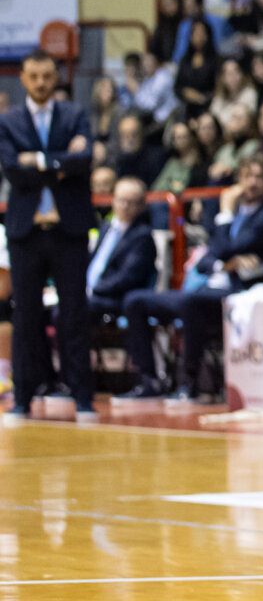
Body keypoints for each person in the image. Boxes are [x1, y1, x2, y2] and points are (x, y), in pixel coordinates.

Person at [123, 157, 263, 402]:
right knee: (135, 300)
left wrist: (225, 213)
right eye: (247, 176)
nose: (251, 183)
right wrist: (224, 263)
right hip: (207, 289)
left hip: (239, 293)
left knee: (191, 303)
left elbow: (226, 247)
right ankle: (149, 380)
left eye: (258, 177)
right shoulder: (235, 217)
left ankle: (190, 384)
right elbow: (207, 259)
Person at [0, 52, 97, 425]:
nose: (41, 82)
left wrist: (37, 161)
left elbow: (84, 159)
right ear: (23, 79)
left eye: (47, 75)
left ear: (57, 77)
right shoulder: (9, 121)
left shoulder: (75, 115)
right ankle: (23, 398)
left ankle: (82, 396)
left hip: (68, 230)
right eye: (34, 76)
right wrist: (59, 163)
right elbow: (12, 169)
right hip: (26, 231)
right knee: (25, 316)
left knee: (74, 314)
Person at [87, 176, 166, 399]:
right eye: (120, 200)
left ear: (141, 206)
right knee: (59, 310)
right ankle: (65, 378)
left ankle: (146, 380)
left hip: (118, 298)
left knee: (78, 308)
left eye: (130, 202)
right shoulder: (105, 228)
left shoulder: (142, 236)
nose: (124, 206)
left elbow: (127, 277)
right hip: (94, 295)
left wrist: (94, 290)